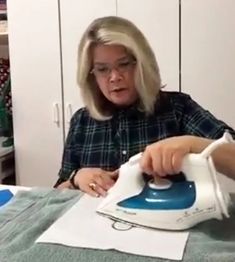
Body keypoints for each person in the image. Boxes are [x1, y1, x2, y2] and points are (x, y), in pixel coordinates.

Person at [54, 16, 235, 196]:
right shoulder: (82, 121)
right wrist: (75, 179)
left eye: (124, 64)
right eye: (102, 69)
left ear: (142, 64)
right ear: (90, 74)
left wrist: (192, 144)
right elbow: (54, 194)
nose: (114, 77)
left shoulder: (178, 109)